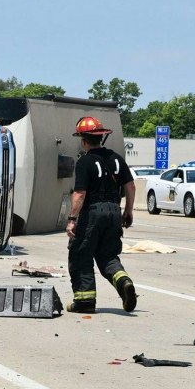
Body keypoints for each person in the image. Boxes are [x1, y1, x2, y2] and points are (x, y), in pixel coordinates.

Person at [65, 116, 136, 314]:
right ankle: (124, 282)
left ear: (83, 140)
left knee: (80, 254)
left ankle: (85, 301)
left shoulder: (85, 162)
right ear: (101, 138)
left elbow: (80, 193)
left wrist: (72, 219)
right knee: (108, 256)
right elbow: (130, 186)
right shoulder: (116, 158)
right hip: (114, 211)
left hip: (93, 213)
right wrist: (128, 211)